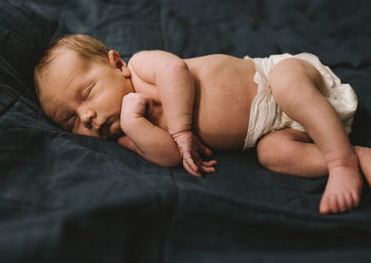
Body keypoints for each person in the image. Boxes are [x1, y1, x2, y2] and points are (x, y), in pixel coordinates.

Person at [34, 34, 371, 215]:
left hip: (274, 77)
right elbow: (169, 157)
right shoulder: (125, 133)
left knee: (289, 87)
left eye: (87, 93)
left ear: (117, 63)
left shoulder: (141, 67)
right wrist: (134, 123)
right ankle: (354, 155)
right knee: (273, 154)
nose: (88, 116)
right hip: (273, 130)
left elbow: (176, 71)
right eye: (72, 119)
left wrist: (181, 129)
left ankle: (340, 163)